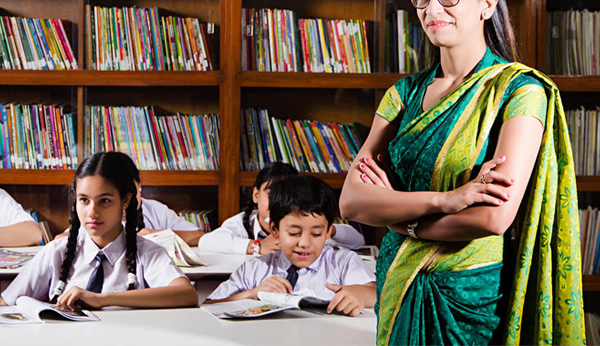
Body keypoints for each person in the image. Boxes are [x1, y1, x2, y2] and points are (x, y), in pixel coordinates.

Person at [339, 0, 585, 345]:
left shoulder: (519, 92)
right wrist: (445, 200)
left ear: (487, 3)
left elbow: (493, 217)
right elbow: (351, 201)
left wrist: (399, 217)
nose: (432, 7)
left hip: (468, 301)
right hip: (399, 289)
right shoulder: (403, 95)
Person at [0, 151, 197, 310]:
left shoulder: (146, 253)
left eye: (104, 201)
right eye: (84, 200)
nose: (92, 212)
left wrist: (101, 299)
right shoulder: (56, 253)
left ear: (125, 201)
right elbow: (7, 302)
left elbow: (186, 294)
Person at [206, 175, 376, 316]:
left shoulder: (343, 262)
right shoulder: (254, 269)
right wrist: (251, 294)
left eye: (316, 234)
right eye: (294, 233)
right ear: (275, 229)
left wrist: (361, 294)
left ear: (328, 232)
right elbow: (208, 306)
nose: (304, 243)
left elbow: (376, 294)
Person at [198, 162, 364, 255]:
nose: (277, 202)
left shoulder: (304, 221)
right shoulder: (243, 222)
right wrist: (257, 246)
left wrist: (324, 230)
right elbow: (206, 242)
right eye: (271, 194)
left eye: (285, 195)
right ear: (256, 195)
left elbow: (357, 241)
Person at [54, 152, 205, 246]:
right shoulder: (95, 217)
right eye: (84, 200)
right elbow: (60, 240)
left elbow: (200, 237)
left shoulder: (155, 210)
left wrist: (161, 235)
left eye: (128, 195)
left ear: (139, 186)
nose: (124, 205)